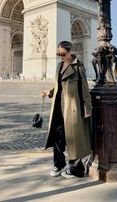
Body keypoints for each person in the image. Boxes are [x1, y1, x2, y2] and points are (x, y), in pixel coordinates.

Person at [40, 40, 92, 179]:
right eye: (58, 54)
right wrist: (49, 93)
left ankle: (76, 168)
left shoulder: (78, 67)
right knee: (57, 136)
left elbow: (85, 89)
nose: (60, 56)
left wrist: (87, 108)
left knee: (73, 138)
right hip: (58, 106)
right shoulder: (59, 66)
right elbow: (58, 85)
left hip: (72, 108)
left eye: (62, 54)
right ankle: (59, 164)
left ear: (70, 52)